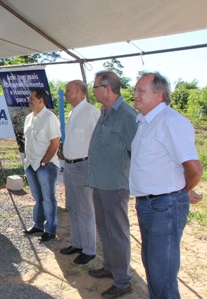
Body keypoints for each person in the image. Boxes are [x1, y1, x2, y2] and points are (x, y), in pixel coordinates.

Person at [130, 72, 203, 299]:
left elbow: (195, 169)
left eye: (141, 91)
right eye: (136, 90)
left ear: (159, 94)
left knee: (162, 273)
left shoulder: (170, 122)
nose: (135, 95)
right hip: (149, 204)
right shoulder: (144, 120)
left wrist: (183, 192)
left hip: (165, 206)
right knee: (152, 266)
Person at [87, 71, 138, 298]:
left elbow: (137, 151)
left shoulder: (127, 115)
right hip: (99, 182)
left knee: (117, 232)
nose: (94, 90)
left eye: (96, 86)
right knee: (104, 229)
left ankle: (123, 280)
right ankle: (110, 267)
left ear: (107, 88)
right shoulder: (104, 111)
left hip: (115, 185)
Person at [60, 80, 100, 264]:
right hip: (69, 166)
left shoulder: (91, 112)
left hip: (84, 167)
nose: (66, 93)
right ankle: (77, 243)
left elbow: (99, 142)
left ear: (78, 91)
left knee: (86, 209)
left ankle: (90, 249)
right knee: (73, 207)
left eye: (68, 90)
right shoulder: (74, 112)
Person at [22, 88, 61, 242]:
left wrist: (44, 162)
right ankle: (38, 225)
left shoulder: (50, 117)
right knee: (38, 197)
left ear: (41, 100)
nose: (29, 100)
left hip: (46, 165)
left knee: (48, 198)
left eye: (31, 98)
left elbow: (55, 143)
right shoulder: (28, 118)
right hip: (31, 164)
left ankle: (50, 229)